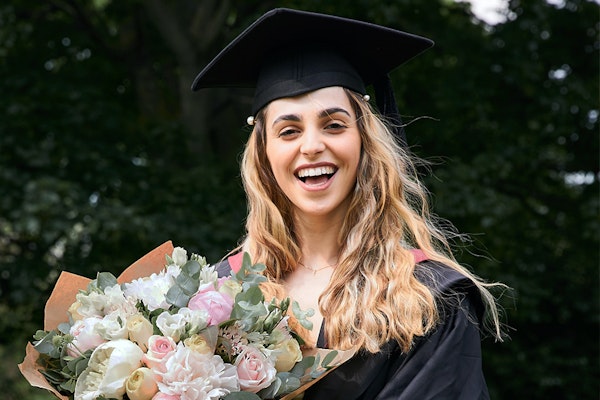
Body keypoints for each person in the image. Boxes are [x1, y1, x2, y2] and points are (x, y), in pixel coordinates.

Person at [192, 8, 505, 399]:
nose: (311, 146)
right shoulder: (221, 293)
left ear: (364, 141)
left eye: (334, 125)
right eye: (288, 131)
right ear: (264, 154)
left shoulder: (428, 297)